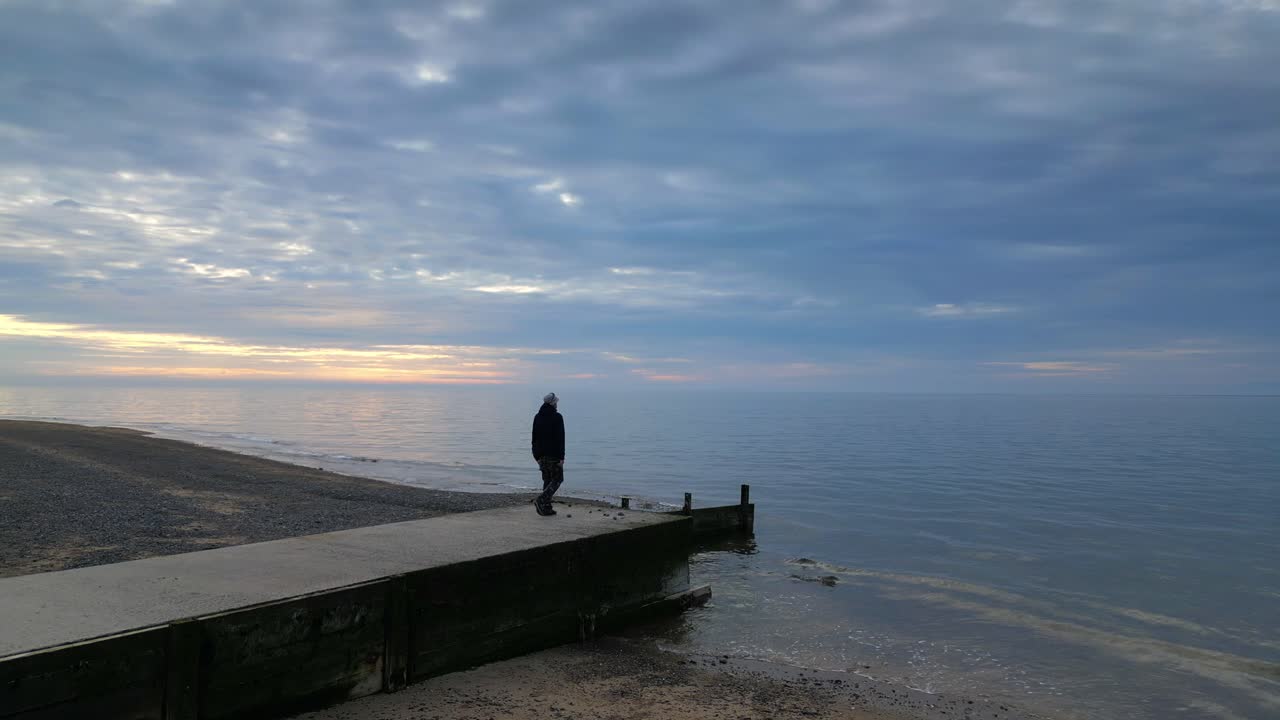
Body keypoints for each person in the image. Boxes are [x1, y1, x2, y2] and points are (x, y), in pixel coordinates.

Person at [531, 392, 565, 516]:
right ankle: (542, 499)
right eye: (556, 402)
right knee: (558, 479)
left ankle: (546, 507)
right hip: (553, 455)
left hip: (541, 455)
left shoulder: (537, 416)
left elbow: (534, 438)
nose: (557, 404)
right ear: (552, 403)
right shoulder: (557, 417)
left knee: (547, 479)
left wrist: (536, 456)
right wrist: (561, 457)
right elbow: (560, 438)